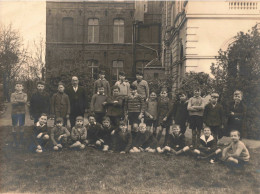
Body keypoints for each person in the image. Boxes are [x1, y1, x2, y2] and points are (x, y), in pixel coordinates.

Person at [10, 82, 28, 147]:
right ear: (15, 87)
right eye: (17, 86)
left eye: (20, 86)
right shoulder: (12, 94)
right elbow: (12, 102)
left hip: (22, 112)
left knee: (21, 126)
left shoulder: (25, 94)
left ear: (22, 87)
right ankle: (14, 142)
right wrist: (21, 101)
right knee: (14, 126)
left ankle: (21, 142)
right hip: (14, 112)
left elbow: (24, 101)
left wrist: (16, 100)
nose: (18, 87)